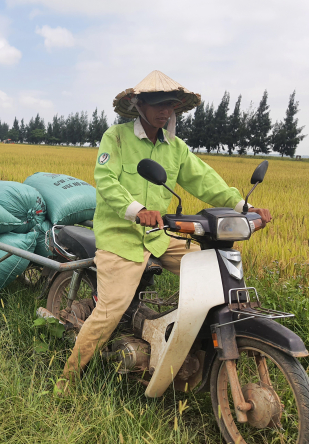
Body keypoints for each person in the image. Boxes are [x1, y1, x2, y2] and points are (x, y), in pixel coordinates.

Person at [58, 70, 272, 392]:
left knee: (214, 269)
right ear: (138, 104)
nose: (164, 111)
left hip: (160, 237)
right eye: (157, 104)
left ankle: (192, 345)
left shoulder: (176, 148)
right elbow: (106, 180)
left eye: (169, 105)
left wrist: (243, 207)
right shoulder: (115, 138)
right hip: (122, 238)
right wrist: (137, 211)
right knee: (111, 309)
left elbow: (205, 180)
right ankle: (68, 379)